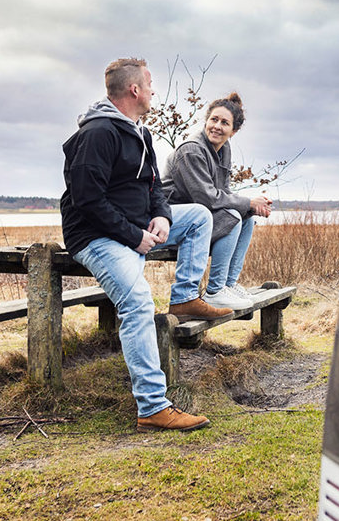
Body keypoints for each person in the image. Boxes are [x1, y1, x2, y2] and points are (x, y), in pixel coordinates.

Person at [60, 57, 232, 432]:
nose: (154, 90)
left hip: (136, 228)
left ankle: (186, 296)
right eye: (150, 83)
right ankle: (153, 406)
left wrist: (162, 217)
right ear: (134, 89)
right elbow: (88, 200)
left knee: (200, 215)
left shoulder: (141, 133)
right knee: (137, 301)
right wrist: (134, 236)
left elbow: (154, 186)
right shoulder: (97, 134)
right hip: (97, 236)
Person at [163, 92, 273, 311]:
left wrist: (250, 208)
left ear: (234, 131)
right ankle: (214, 291)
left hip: (200, 215)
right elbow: (206, 198)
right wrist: (249, 202)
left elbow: (222, 191)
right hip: (173, 219)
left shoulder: (223, 149)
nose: (217, 126)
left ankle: (227, 285)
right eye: (214, 119)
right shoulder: (192, 150)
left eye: (224, 123)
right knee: (233, 215)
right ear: (206, 121)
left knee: (246, 218)